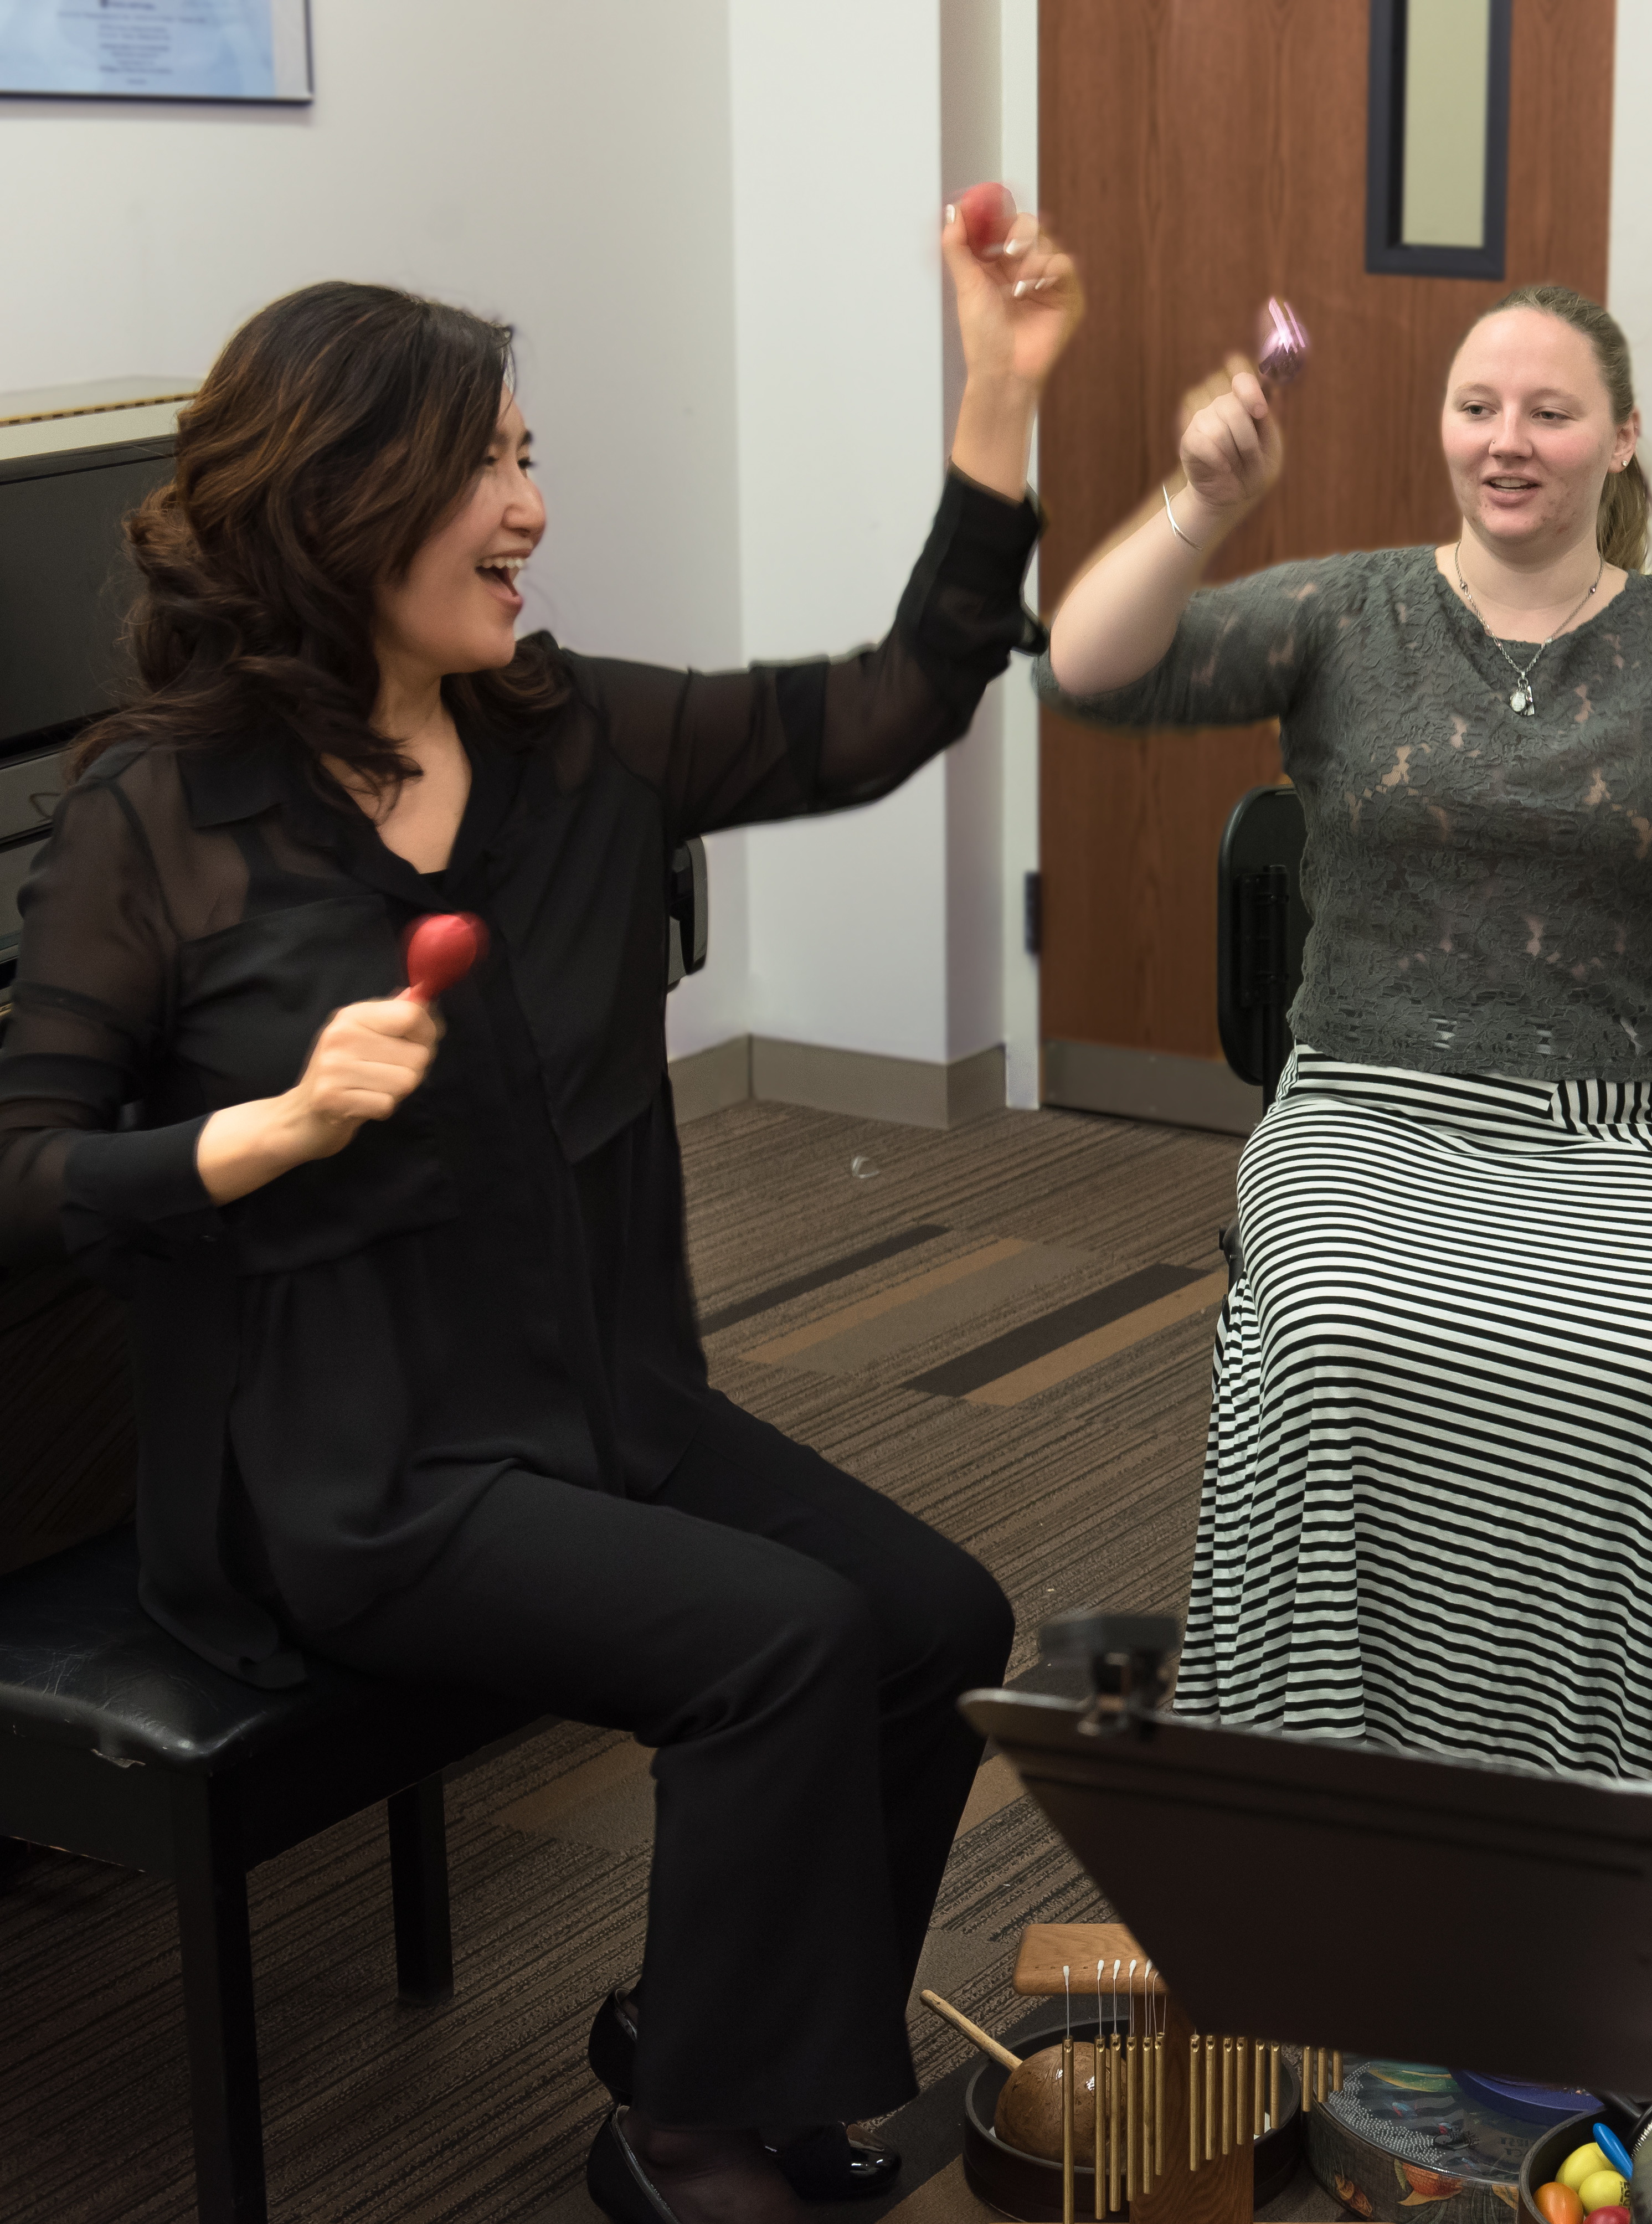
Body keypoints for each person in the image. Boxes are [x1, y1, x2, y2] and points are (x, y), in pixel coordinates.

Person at [0, 208, 1082, 2224]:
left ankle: (719, 2044)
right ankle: (677, 2142)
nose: (533, 507)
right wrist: (258, 1134)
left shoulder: (570, 736)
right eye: (491, 466)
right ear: (344, 504)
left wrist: (999, 406)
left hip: (601, 1397)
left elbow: (882, 705)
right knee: (781, 1645)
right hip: (354, 1476)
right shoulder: (159, 816)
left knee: (940, 1622)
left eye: (526, 459)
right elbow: (24, 1173)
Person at [1033, 282, 1652, 1779]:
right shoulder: (1344, 608)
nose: (1507, 442)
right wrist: (1198, 499)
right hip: (1369, 1107)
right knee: (1327, 1337)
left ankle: (1548, 1798)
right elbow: (1088, 666)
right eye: (1477, 407)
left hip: (1632, 1130)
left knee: (1627, 1364)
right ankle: (1323, 1781)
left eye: (1550, 412)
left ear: (1622, 438)